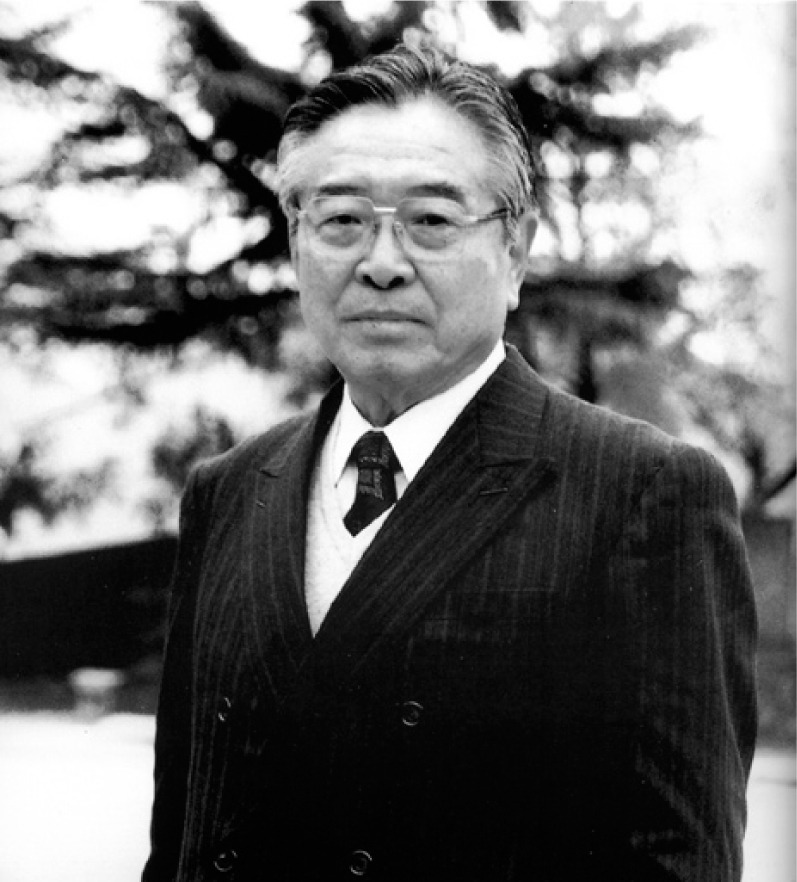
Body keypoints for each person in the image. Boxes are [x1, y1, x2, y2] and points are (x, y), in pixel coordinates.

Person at [142, 44, 757, 882]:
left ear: (515, 251)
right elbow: (180, 836)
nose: (381, 263)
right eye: (341, 220)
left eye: (430, 221)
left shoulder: (639, 495)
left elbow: (677, 862)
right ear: (296, 242)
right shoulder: (227, 492)